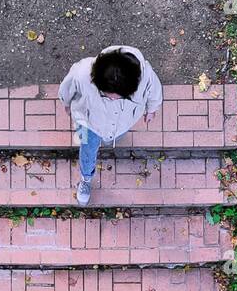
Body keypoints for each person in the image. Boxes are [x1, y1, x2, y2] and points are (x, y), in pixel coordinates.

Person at [57, 45, 163, 204]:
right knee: (87, 149)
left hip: (122, 122)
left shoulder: (146, 75)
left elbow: (154, 92)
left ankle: (109, 138)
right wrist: (66, 102)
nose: (113, 99)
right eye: (107, 95)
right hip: (86, 122)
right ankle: (86, 179)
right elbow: (67, 88)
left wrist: (152, 109)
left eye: (120, 97)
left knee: (117, 135)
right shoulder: (82, 72)